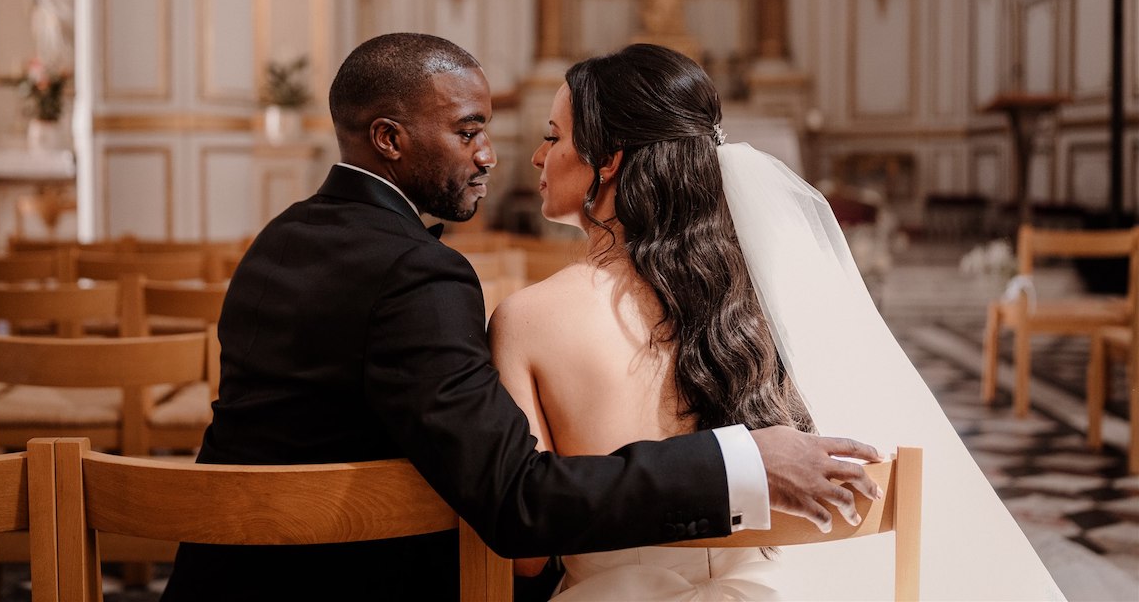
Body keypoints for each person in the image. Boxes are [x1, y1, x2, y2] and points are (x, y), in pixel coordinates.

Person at [162, 33, 882, 601]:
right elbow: (515, 500)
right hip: (350, 582)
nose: (492, 156)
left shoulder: (279, 240)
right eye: (468, 131)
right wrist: (739, 461)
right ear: (390, 138)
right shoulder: (420, 272)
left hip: (224, 573)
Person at [491, 43, 1064, 600]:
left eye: (553, 136)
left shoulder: (527, 319)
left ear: (609, 159)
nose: (539, 157)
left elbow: (526, 555)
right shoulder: (755, 298)